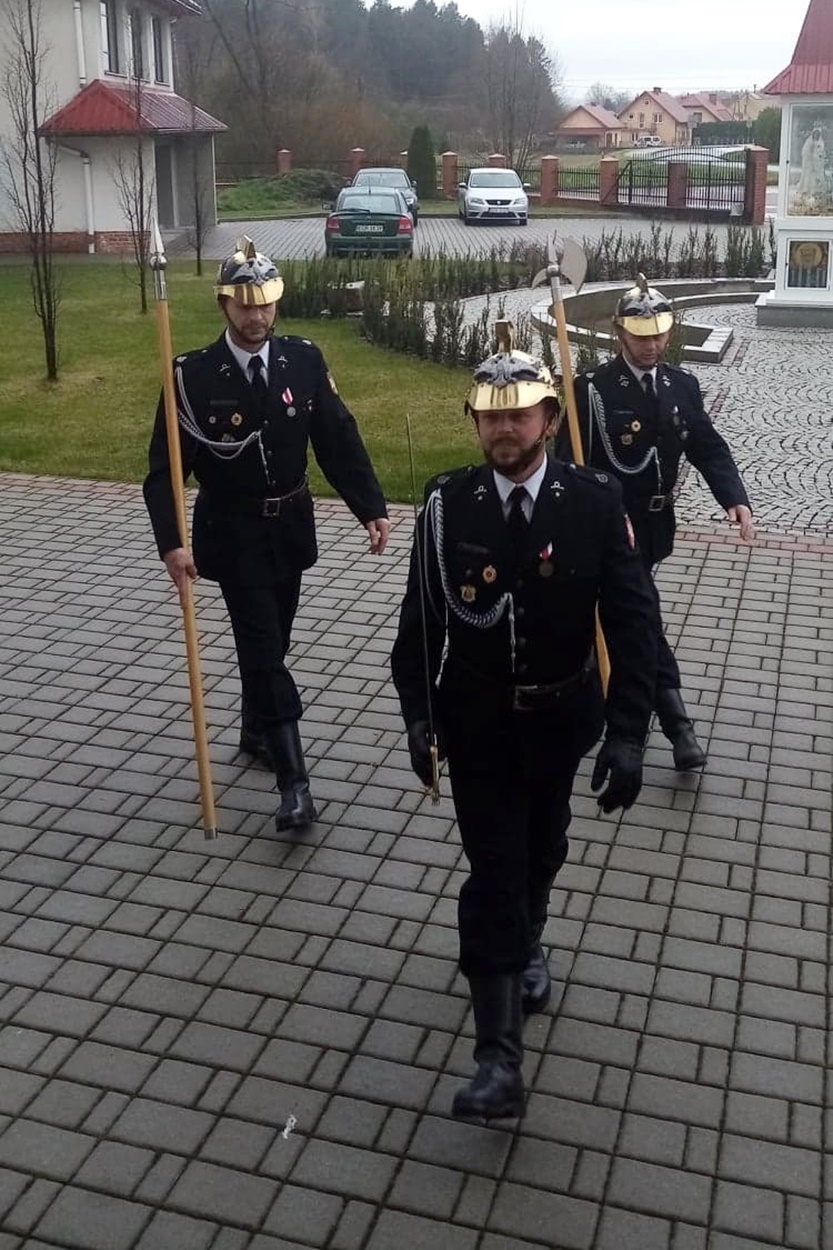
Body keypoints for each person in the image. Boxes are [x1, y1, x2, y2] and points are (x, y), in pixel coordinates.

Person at [391, 329, 657, 1123]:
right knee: (494, 873)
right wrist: (418, 715)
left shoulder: (595, 502)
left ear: (548, 418)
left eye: (518, 416)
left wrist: (628, 733)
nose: (503, 430)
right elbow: (420, 624)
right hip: (476, 722)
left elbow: (634, 624)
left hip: (561, 718)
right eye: (489, 417)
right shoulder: (446, 506)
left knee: (544, 847)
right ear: (473, 422)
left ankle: (531, 940)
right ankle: (497, 1060)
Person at [144, 237, 389, 834]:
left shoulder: (302, 360)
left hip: (291, 527)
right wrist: (172, 542)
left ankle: (256, 729)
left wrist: (369, 508)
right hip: (232, 533)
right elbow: (164, 471)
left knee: (273, 643)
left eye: (266, 304)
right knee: (261, 650)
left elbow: (336, 437)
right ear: (223, 305)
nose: (257, 316)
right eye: (245, 305)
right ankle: (294, 783)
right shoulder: (191, 376)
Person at [555, 276, 754, 771]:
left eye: (660, 334)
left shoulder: (681, 385)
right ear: (620, 334)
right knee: (641, 619)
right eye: (641, 336)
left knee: (627, 619)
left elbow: (706, 445)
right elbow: (568, 464)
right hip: (610, 528)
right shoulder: (592, 390)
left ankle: (616, 706)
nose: (652, 345)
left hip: (655, 524)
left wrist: (734, 498)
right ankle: (675, 725)